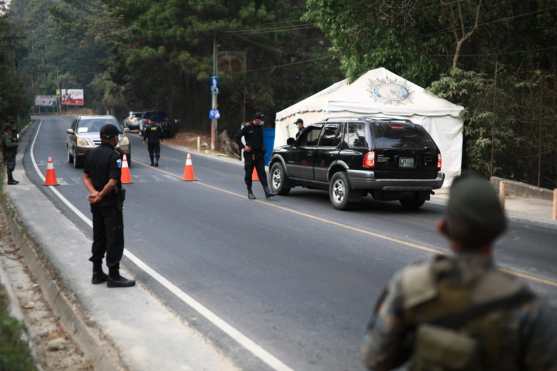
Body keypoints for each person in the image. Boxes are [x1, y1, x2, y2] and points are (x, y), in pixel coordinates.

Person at [361, 174, 557, 371]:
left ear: (443, 227)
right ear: (500, 230)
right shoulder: (530, 308)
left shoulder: (410, 285)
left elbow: (374, 359)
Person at [82, 124, 135, 288]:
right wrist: (101, 195)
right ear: (112, 138)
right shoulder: (116, 157)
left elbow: (86, 177)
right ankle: (114, 275)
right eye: (116, 137)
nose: (117, 139)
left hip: (96, 205)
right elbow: (112, 181)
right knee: (114, 238)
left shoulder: (91, 154)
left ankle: (97, 273)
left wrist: (94, 193)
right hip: (110, 204)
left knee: (99, 237)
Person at [235, 113, 274, 200]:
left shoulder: (260, 128)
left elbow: (260, 141)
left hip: (259, 155)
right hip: (249, 154)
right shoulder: (247, 127)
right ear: (256, 119)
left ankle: (267, 191)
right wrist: (243, 147)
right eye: (260, 120)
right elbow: (237, 137)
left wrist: (263, 150)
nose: (261, 121)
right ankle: (250, 192)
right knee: (248, 174)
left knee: (262, 173)